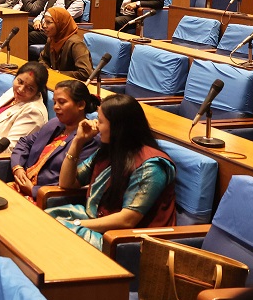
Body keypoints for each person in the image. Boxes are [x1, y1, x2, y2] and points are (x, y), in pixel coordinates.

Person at [46, 93, 177, 249]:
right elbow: (67, 183)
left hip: (126, 240)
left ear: (118, 127)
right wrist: (78, 141)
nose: (96, 125)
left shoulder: (151, 166)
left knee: (56, 234)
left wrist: (76, 224)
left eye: (100, 121)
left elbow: (127, 220)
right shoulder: (110, 150)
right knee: (45, 219)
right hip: (97, 219)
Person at [9, 79, 100, 198]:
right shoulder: (54, 123)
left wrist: (33, 190)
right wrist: (17, 167)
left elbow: (72, 180)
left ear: (81, 105)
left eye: (61, 102)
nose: (56, 107)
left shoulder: (89, 138)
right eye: (54, 102)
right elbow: (24, 142)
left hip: (45, 197)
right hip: (19, 185)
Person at [38, 7, 93, 79]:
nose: (44, 25)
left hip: (72, 83)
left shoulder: (76, 43)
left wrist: (58, 74)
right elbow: (43, 59)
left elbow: (85, 73)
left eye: (48, 22)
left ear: (60, 23)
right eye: (44, 21)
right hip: (58, 80)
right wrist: (47, 70)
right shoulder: (52, 39)